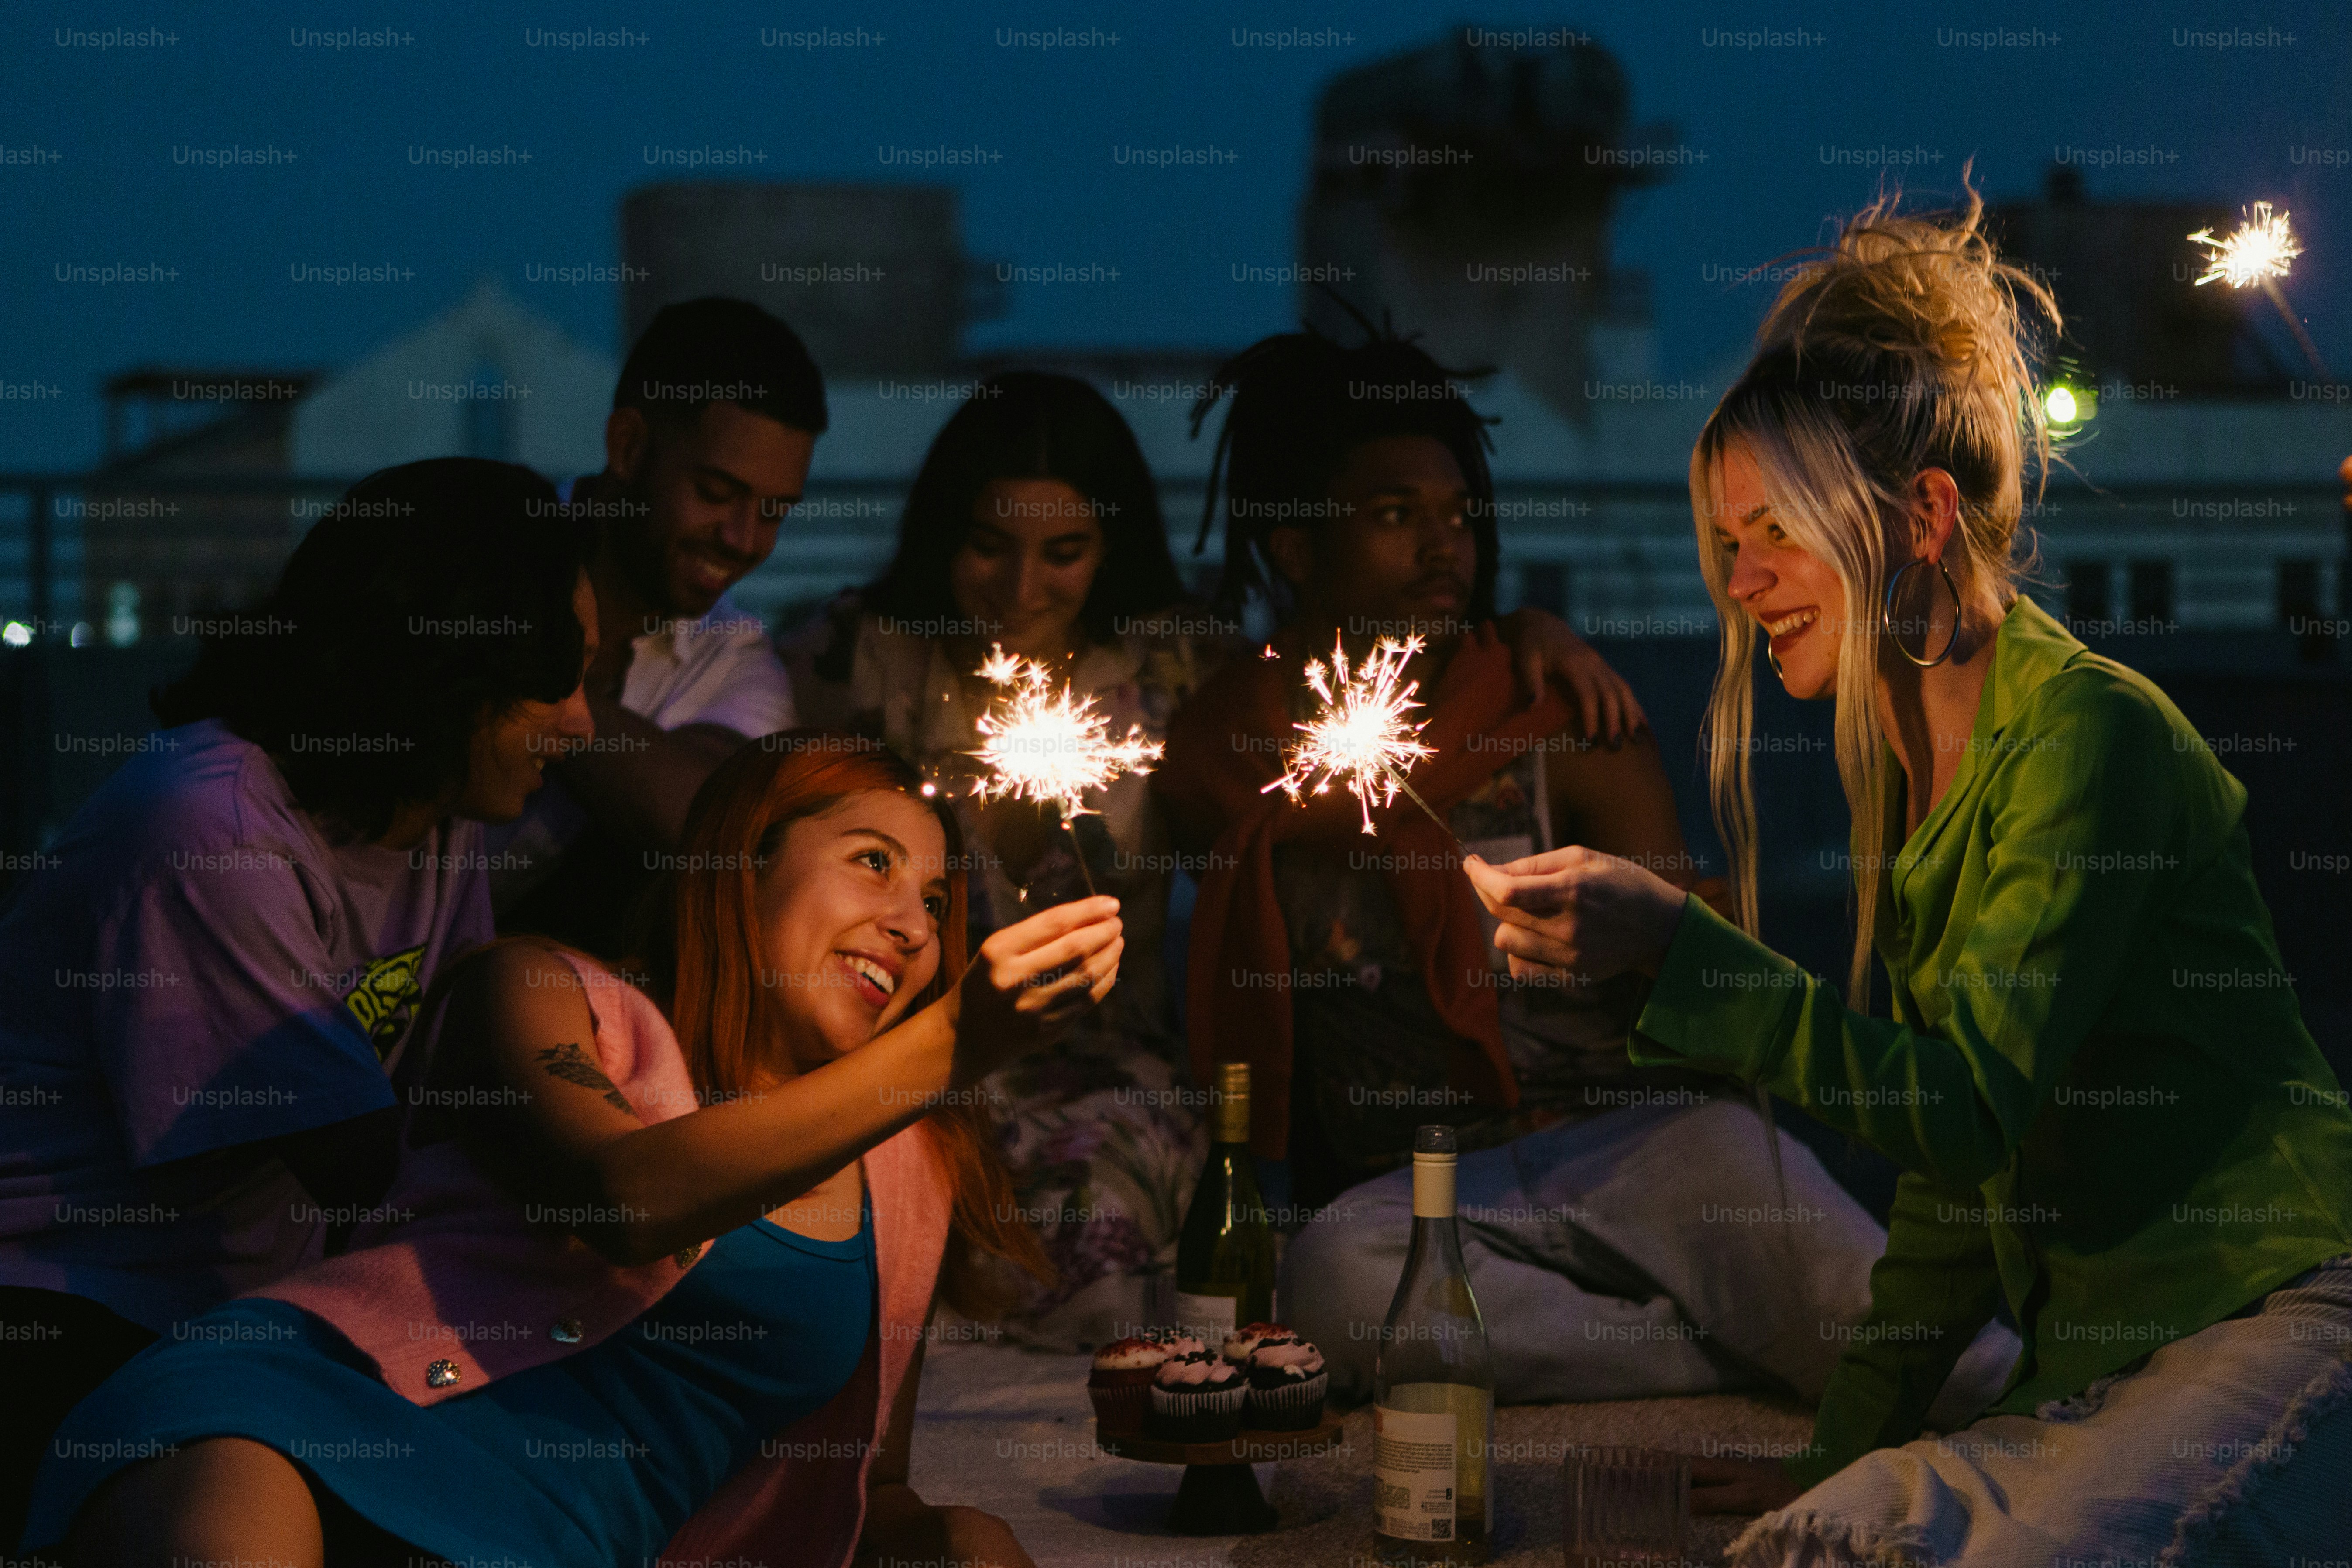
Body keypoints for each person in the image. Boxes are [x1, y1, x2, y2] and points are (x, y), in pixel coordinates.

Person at [1462, 185, 2352, 1563]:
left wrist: (1674, 952)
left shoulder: (2084, 733)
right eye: (1726, 542)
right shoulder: (1923, 764)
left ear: (1921, 514)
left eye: (1771, 531)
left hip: (2270, 1307)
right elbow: (1955, 1200)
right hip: (2113, 1359)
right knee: (1822, 1537)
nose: (1740, 580)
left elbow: (1965, 1112)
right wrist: (1831, 1456)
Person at [1154, 323, 2019, 1417]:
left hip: (1634, 1146)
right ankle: (1710, 1352)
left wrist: (1673, 930)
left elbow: (1690, 960)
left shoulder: (1562, 715)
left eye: (1459, 517)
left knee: (1896, 1324)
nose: (1442, 547)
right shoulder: (1223, 760)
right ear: (1291, 548)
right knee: (1330, 1284)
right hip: (1433, 1193)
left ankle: (1948, 1376)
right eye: (1393, 516)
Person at [26, 735, 1123, 1568]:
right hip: (293, 1424)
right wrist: (949, 1045)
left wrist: (958, 1545)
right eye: (873, 863)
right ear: (743, 869)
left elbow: (860, 1488)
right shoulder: (546, 994)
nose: (914, 925)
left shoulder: (910, 1164)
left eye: (938, 901)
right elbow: (623, 1196)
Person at [784, 371, 1650, 1347]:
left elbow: (1367, 687)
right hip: (912, 1053)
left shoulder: (1180, 672)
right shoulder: (848, 660)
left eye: (1063, 552)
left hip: (1109, 1068)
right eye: (990, 546)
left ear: (1109, 550)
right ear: (944, 533)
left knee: (1083, 1228)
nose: (1022, 588)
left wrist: (1532, 632)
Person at [0, 458, 594, 1543]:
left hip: (237, 1304)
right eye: (557, 678)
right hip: (70, 1303)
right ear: (452, 661)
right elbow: (383, 1169)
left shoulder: (434, 819)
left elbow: (456, 1080)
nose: (586, 725)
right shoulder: (207, 830)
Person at [489, 296, 824, 957]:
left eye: (774, 510)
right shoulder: (488, 543)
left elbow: (712, 823)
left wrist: (525, 670)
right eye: (716, 492)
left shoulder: (732, 653)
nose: (743, 538)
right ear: (628, 445)